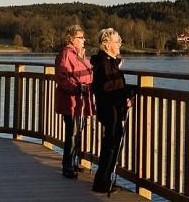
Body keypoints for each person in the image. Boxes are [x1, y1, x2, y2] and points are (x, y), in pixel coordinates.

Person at [91, 28, 134, 194]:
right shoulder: (104, 63)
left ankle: (104, 179)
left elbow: (113, 85)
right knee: (111, 144)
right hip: (111, 109)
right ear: (106, 44)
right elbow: (107, 87)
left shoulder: (108, 62)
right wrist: (126, 96)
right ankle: (102, 182)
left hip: (111, 108)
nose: (120, 44)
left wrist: (127, 92)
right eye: (117, 41)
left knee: (112, 142)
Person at [54, 24, 95, 179]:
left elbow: (89, 72)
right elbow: (61, 76)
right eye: (80, 37)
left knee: (78, 132)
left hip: (81, 101)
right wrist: (76, 88)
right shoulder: (66, 53)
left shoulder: (80, 54)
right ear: (71, 38)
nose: (83, 40)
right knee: (72, 133)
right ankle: (67, 166)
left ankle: (74, 162)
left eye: (83, 37)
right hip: (70, 100)